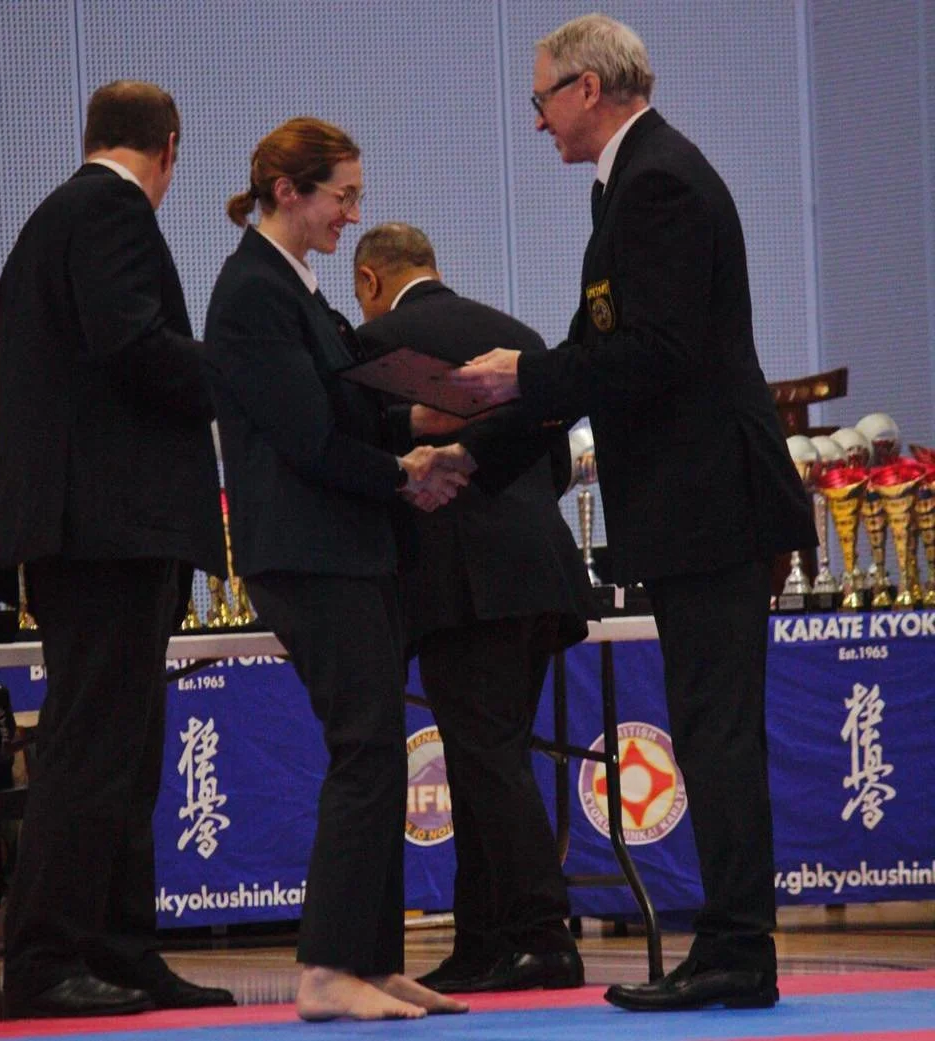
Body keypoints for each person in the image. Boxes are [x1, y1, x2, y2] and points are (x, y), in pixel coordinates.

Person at [450, 15, 818, 1012]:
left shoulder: (657, 183)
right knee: (709, 731)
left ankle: (739, 951)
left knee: (718, 733)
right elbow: (586, 362)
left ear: (586, 88)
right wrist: (465, 457)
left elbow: (649, 354)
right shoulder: (634, 184)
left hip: (716, 507)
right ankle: (733, 948)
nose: (536, 125)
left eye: (539, 101)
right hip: (699, 509)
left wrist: (521, 373)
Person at [204, 119, 469, 1022]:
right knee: (363, 747)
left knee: (377, 748)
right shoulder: (251, 294)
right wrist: (402, 471)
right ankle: (325, 968)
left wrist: (421, 430)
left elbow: (350, 417)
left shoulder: (301, 291)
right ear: (288, 190)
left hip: (344, 548)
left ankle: (372, 957)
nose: (354, 215)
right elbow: (309, 440)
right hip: (308, 552)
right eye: (341, 196)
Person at [0, 81, 235, 1018]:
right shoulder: (111, 212)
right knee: (95, 749)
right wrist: (242, 373)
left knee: (123, 748)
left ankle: (123, 950)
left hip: (89, 526)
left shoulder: (56, 221)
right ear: (169, 147)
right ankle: (47, 959)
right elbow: (137, 345)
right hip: (106, 528)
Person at [353, 223, 596, 993]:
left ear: (369, 281)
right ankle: (485, 939)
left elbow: (378, 462)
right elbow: (554, 461)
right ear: (435, 266)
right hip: (542, 572)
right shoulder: (514, 334)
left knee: (484, 756)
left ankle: (541, 934)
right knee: (491, 751)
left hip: (461, 582)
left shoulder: (377, 342)